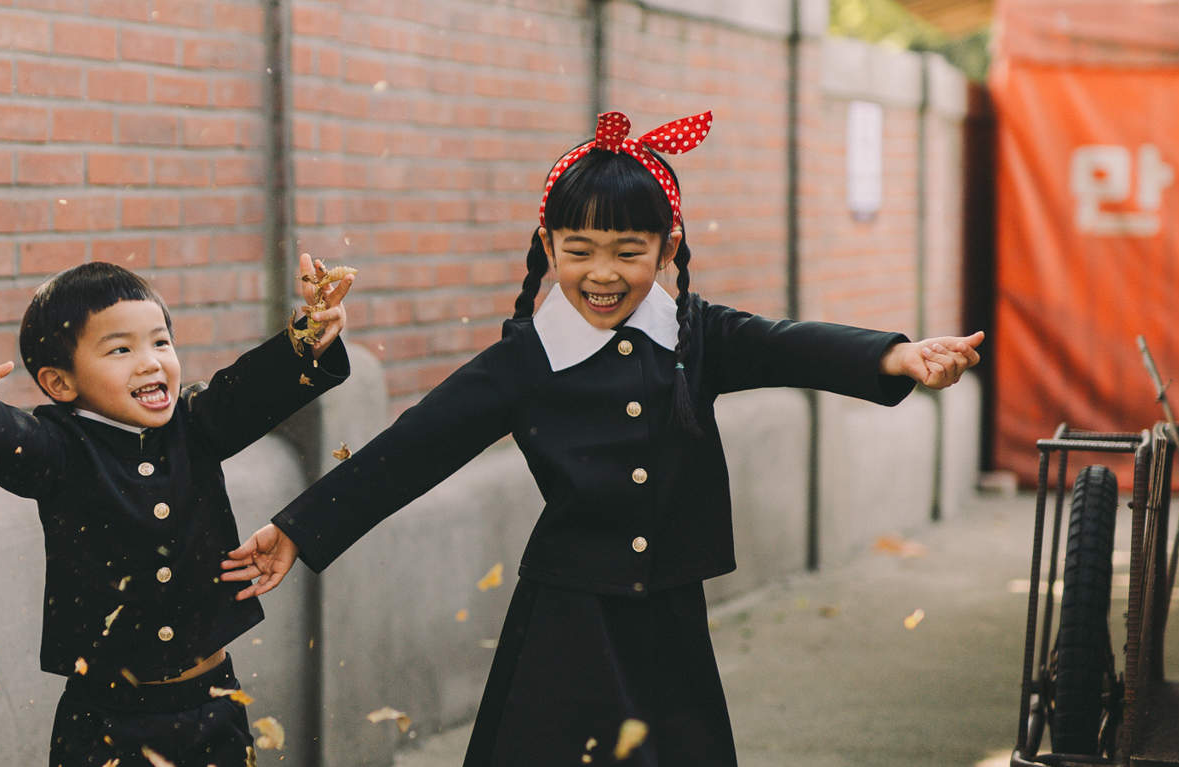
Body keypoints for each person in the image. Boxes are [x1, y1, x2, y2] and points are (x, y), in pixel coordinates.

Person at [219, 111, 983, 766]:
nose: (602, 273)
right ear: (547, 246)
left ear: (667, 246)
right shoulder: (526, 358)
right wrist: (299, 527)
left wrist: (896, 355)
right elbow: (414, 446)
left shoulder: (694, 336)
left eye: (627, 250)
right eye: (578, 250)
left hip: (668, 616)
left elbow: (789, 345)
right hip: (566, 618)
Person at [0, 256, 353, 767]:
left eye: (161, 342)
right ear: (60, 383)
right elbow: (4, 437)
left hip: (213, 703)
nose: (151, 362)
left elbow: (249, 387)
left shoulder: (197, 423)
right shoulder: (58, 449)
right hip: (108, 722)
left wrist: (309, 337)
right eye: (121, 349)